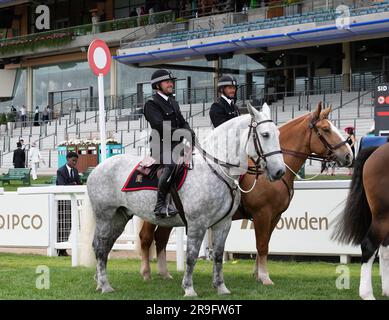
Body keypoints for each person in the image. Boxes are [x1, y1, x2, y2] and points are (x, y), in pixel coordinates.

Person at [144, 69, 195, 218]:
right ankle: (160, 205)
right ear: (157, 86)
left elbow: (182, 121)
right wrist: (182, 133)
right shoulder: (151, 104)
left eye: (171, 82)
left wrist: (189, 131)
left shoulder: (173, 102)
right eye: (167, 82)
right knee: (172, 164)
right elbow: (160, 126)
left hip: (176, 145)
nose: (171, 84)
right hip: (160, 145)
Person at [56, 152, 82, 256]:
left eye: (76, 161)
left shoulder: (75, 171)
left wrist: (76, 184)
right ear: (67, 159)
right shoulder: (60, 171)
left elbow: (79, 183)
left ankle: (63, 249)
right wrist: (73, 184)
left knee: (69, 225)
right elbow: (62, 185)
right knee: (62, 224)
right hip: (62, 201)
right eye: (73, 161)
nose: (75, 163)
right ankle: (59, 249)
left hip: (72, 202)